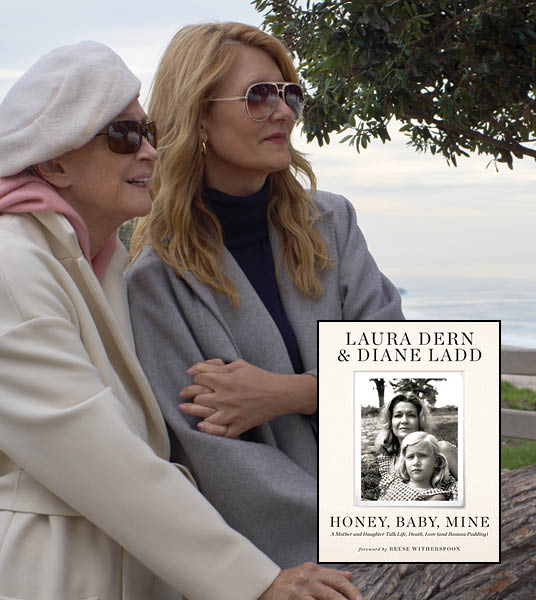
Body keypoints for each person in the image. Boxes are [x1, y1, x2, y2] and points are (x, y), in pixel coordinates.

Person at [0, 41, 362, 600]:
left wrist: (291, 393)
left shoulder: (94, 262)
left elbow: (421, 381)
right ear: (52, 161)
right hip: (35, 571)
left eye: (149, 133)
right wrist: (257, 581)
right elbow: (105, 461)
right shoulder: (7, 267)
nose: (148, 153)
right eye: (121, 136)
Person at [126, 21, 404, 568]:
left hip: (400, 510)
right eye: (259, 96)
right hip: (285, 562)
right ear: (200, 114)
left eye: (289, 94)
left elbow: (402, 381)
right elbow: (218, 460)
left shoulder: (334, 224)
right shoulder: (156, 281)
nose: (283, 112)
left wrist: (290, 393)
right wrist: (353, 542)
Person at [375, 393, 458, 501]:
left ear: (420, 420)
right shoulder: (389, 459)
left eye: (411, 415)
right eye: (398, 415)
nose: (404, 421)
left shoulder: (441, 449)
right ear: (390, 422)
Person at [380, 431, 456, 501]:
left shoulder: (433, 497)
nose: (416, 462)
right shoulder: (395, 483)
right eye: (410, 457)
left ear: (437, 461)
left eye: (423, 456)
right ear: (405, 462)